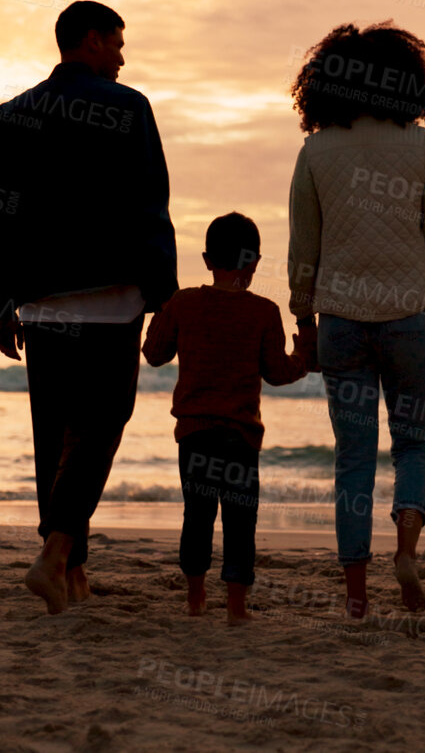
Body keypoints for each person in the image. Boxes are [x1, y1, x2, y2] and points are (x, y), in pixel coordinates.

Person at [0, 0, 177, 615]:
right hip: (113, 299)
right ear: (89, 41)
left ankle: (71, 572)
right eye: (116, 44)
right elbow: (151, 203)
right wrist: (163, 291)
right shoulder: (129, 107)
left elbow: (0, 208)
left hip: (39, 301)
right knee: (101, 428)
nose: (121, 57)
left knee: (55, 437)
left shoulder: (13, 114)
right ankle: (55, 554)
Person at [286, 21, 425, 619]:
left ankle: (357, 598)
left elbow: (303, 245)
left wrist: (302, 316)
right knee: (415, 445)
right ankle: (407, 552)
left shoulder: (315, 152)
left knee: (353, 457)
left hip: (339, 318)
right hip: (410, 316)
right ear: (408, 81)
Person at [142, 213, 314, 624]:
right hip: (240, 438)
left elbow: (154, 354)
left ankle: (195, 598)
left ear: (206, 259)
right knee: (240, 520)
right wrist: (305, 358)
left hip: (195, 435)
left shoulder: (183, 303)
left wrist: (159, 312)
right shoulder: (264, 312)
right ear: (254, 262)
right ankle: (237, 607)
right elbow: (276, 373)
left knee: (196, 515)